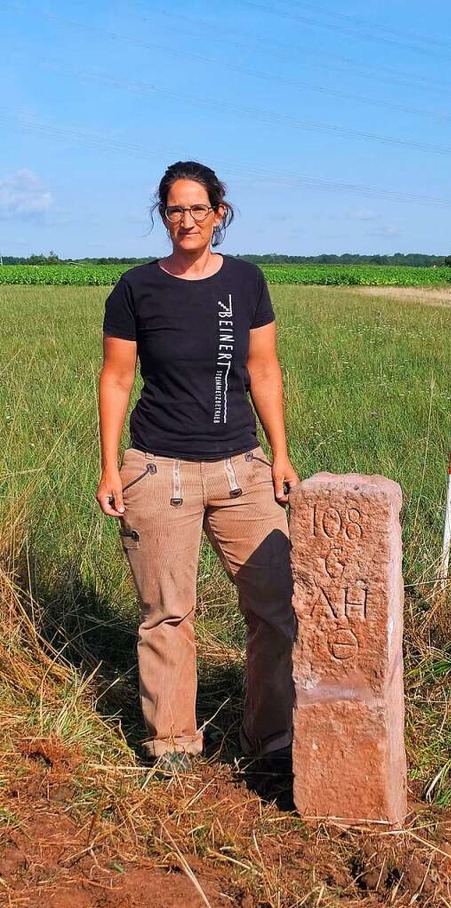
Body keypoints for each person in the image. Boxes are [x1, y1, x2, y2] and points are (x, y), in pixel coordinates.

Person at [96, 160, 298, 774]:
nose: (186, 220)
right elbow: (117, 378)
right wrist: (110, 467)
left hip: (242, 470)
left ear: (220, 213)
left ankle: (273, 739)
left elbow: (263, 370)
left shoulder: (245, 282)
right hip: (158, 472)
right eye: (174, 210)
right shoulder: (136, 288)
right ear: (163, 216)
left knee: (275, 605)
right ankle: (174, 743)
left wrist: (281, 455)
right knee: (167, 613)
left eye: (198, 208)